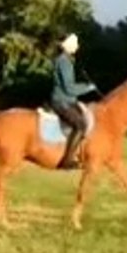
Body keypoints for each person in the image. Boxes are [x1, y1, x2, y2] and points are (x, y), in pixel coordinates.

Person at [50, 33, 96, 169]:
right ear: (68, 45)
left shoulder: (66, 60)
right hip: (62, 102)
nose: (77, 46)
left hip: (68, 100)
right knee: (81, 125)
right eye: (75, 43)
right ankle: (67, 160)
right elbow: (69, 88)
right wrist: (88, 87)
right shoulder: (64, 61)